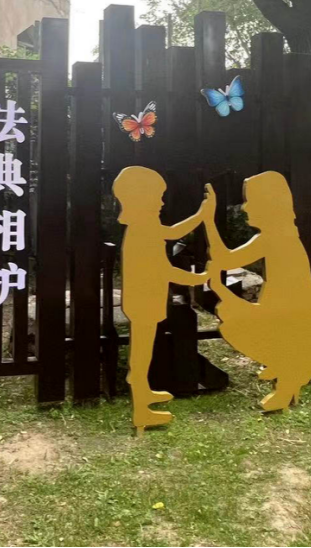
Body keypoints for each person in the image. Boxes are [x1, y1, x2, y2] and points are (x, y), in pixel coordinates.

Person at [203, 171, 311, 411]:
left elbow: (224, 259)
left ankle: (285, 384)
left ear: (270, 205)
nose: (244, 208)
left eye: (250, 201)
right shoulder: (281, 235)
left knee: (235, 320)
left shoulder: (275, 238)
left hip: (293, 317)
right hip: (288, 311)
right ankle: (283, 372)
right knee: (231, 313)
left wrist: (208, 220)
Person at [113, 166, 215, 431]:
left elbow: (172, 233)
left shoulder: (143, 227)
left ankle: (143, 391)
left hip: (143, 301)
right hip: (143, 304)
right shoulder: (143, 232)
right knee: (141, 355)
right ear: (140, 199)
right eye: (157, 197)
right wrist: (199, 278)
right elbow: (165, 269)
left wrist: (201, 214)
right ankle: (141, 411)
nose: (161, 203)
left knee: (142, 352)